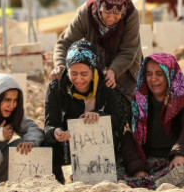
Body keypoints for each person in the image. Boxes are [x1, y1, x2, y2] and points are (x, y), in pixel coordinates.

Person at [44, 40, 128, 184]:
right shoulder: (56, 88)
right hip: (68, 144)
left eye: (84, 74)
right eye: (73, 73)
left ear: (93, 70)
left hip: (97, 143)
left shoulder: (105, 84)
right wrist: (56, 132)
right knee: (45, 142)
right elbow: (48, 126)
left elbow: (116, 119)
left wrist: (99, 117)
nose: (79, 79)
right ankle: (58, 181)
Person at [120, 53, 184, 189]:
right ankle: (152, 181)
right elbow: (129, 136)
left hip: (179, 159)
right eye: (148, 74)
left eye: (159, 73)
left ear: (169, 74)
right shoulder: (139, 101)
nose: (153, 79)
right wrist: (138, 168)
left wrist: (180, 153)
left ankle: (151, 183)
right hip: (149, 161)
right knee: (119, 168)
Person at [51, 0, 142, 100]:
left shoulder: (131, 16)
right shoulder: (85, 14)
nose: (110, 18)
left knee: (127, 106)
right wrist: (60, 64)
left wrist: (113, 71)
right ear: (99, 7)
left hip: (125, 68)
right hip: (95, 65)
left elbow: (128, 50)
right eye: (106, 14)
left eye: (116, 15)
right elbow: (65, 42)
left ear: (123, 12)